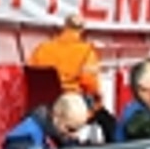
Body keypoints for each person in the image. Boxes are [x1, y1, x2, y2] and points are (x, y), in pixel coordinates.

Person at [27, 14, 115, 142]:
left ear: (64, 27)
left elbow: (31, 74)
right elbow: (89, 82)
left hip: (44, 104)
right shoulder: (87, 51)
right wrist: (98, 99)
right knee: (107, 120)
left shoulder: (42, 48)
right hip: (72, 103)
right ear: (82, 30)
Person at [2, 93, 91, 149]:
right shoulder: (24, 138)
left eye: (79, 129)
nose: (75, 135)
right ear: (56, 116)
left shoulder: (61, 136)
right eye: (71, 129)